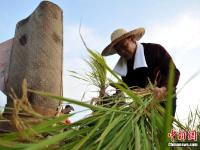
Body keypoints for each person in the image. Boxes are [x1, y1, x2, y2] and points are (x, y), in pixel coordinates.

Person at [101, 27, 180, 116]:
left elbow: (173, 72)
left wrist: (163, 89)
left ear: (132, 39)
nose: (122, 52)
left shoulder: (154, 50)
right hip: (145, 105)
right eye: (118, 50)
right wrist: (108, 97)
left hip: (166, 96)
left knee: (165, 128)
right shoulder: (124, 68)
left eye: (124, 46)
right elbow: (130, 89)